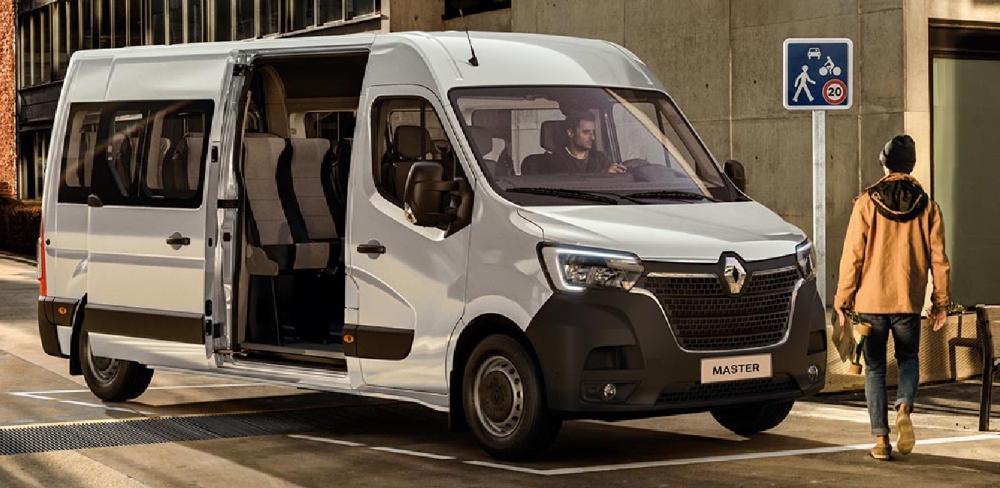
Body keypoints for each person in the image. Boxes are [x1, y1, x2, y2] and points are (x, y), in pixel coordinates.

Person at [833, 134, 951, 461]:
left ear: (885, 165)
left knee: (874, 369)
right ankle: (903, 408)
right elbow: (939, 260)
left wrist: (842, 300)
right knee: (909, 359)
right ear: (911, 166)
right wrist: (940, 303)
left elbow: (852, 258)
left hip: (870, 304)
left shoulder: (865, 203)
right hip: (907, 303)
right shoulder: (928, 206)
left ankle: (882, 441)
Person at [537, 112, 626, 174]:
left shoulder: (600, 159)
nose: (592, 137)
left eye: (593, 132)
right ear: (571, 133)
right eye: (586, 132)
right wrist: (602, 175)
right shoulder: (554, 161)